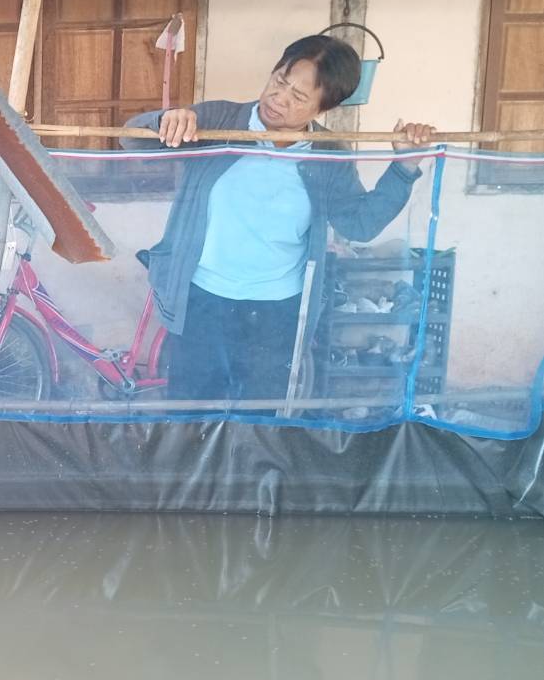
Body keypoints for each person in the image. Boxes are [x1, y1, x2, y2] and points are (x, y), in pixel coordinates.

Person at [122, 34, 436, 408]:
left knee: (261, 420)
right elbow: (132, 141)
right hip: (201, 299)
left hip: (277, 311)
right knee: (191, 416)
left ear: (323, 108)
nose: (278, 98)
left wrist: (404, 168)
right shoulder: (218, 121)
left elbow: (359, 225)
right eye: (279, 81)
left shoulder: (328, 154)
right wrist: (166, 120)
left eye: (298, 97)